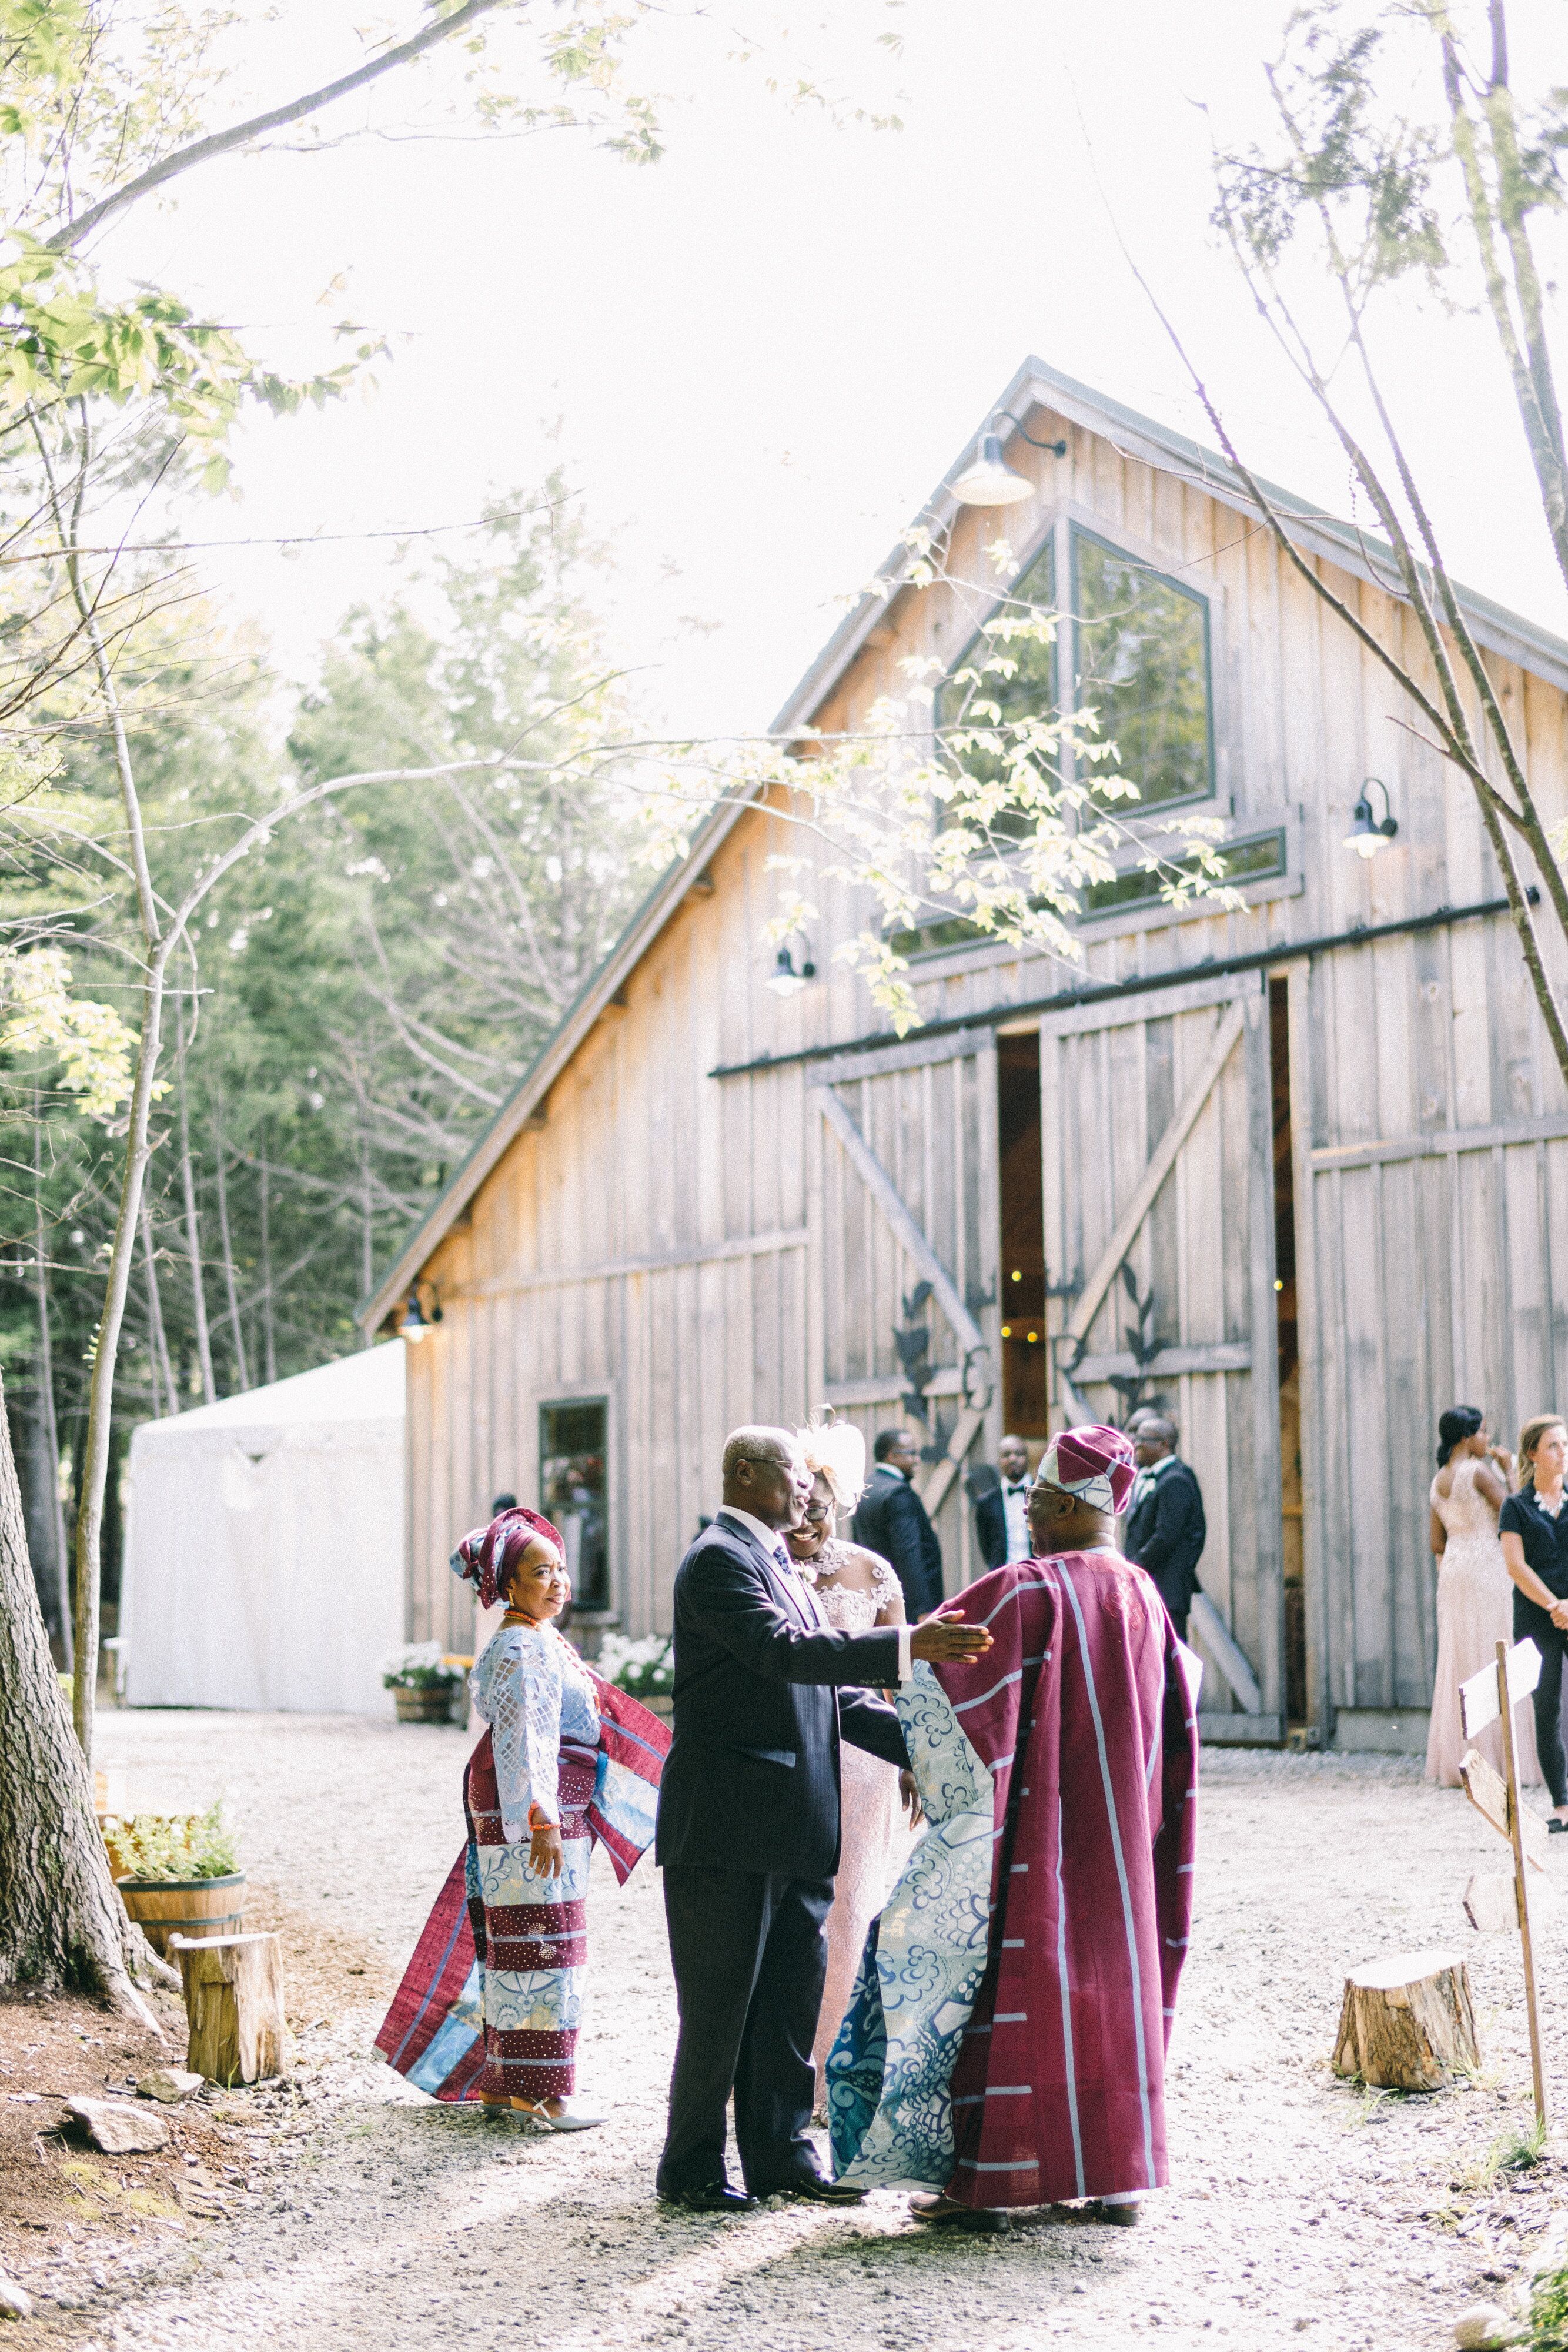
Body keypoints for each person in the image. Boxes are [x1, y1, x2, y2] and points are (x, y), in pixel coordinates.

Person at [828, 1424, 1199, 2230]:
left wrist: (837, 1705)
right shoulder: (1143, 1597)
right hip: (1120, 1838)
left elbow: (941, 1704)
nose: (1026, 1512)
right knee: (1110, 1985)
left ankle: (989, 2188)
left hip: (1031, 1838)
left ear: (1069, 1502)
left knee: (1013, 1980)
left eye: (1035, 1498)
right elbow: (1176, 1727)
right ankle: (1116, 2181)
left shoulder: (1025, 1590)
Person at [655, 1424, 993, 2213]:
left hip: (800, 1823)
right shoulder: (715, 1561)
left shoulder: (779, 1565)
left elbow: (830, 1694)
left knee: (785, 2004)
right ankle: (691, 2166)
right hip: (727, 1827)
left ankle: (780, 2157)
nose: (803, 1490)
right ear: (743, 1474)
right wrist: (907, 1642)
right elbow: (782, 1652)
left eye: (807, 1483)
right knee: (719, 2010)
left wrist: (924, 1749)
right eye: (787, 1475)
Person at [375, 1507, 670, 2123]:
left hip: (542, 1804)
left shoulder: (534, 1638)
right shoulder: (520, 1646)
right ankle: (545, 2093)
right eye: (542, 1571)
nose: (559, 1581)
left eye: (561, 1568)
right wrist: (537, 1817)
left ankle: (509, 2083)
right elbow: (527, 1735)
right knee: (546, 1941)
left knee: (523, 1939)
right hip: (538, 1808)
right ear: (508, 1585)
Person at [787, 1419, 922, 2114]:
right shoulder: (769, 1571)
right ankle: (782, 2065)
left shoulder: (873, 1571)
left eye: (820, 1508)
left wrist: (916, 1754)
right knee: (794, 1913)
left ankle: (832, 2070)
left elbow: (903, 1671)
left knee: (851, 1910)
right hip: (798, 1756)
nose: (807, 1521)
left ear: (837, 1506)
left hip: (867, 1762)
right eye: (799, 1504)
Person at [1426, 1407, 1540, 1789]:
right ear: (1464, 1436)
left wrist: (1452, 1567)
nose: (1487, 1440)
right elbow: (1512, 1511)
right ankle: (1506, 1762)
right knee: (1498, 1651)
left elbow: (1435, 1543)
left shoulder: (1437, 1480)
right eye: (1482, 1432)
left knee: (1461, 1656)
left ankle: (1463, 1759)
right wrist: (1509, 1469)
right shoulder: (1476, 1472)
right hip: (1486, 1568)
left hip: (1454, 1571)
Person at [1500, 1415, 1568, 1829]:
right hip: (1536, 1616)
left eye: (1564, 1445)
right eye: (1553, 1447)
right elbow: (1515, 1566)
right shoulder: (1515, 1506)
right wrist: (1555, 1606)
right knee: (1546, 1710)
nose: (1562, 1454)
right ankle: (1561, 1804)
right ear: (1532, 1454)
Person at [1122, 1415, 1206, 1641]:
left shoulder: (1176, 1480)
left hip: (1166, 1590)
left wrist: (1131, 1567)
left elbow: (1166, 1537)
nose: (1136, 1443)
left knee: (1169, 1665)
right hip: (1153, 1588)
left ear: (1163, 1445)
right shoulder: (1157, 1477)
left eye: (1143, 1439)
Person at [852, 1428, 944, 1616]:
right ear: (892, 1456)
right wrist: (923, 1610)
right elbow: (909, 1554)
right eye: (912, 1454)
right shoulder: (898, 1494)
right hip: (905, 1605)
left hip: (875, 1598)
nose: (917, 1460)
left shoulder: (866, 1488)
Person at [974, 1434, 1034, 1569]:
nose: (1013, 1459)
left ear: (1027, 1458)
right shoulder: (986, 1503)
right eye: (1006, 1455)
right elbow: (987, 1548)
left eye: (1019, 1454)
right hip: (1002, 1576)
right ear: (999, 1460)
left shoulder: (1044, 1495)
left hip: (1039, 1575)